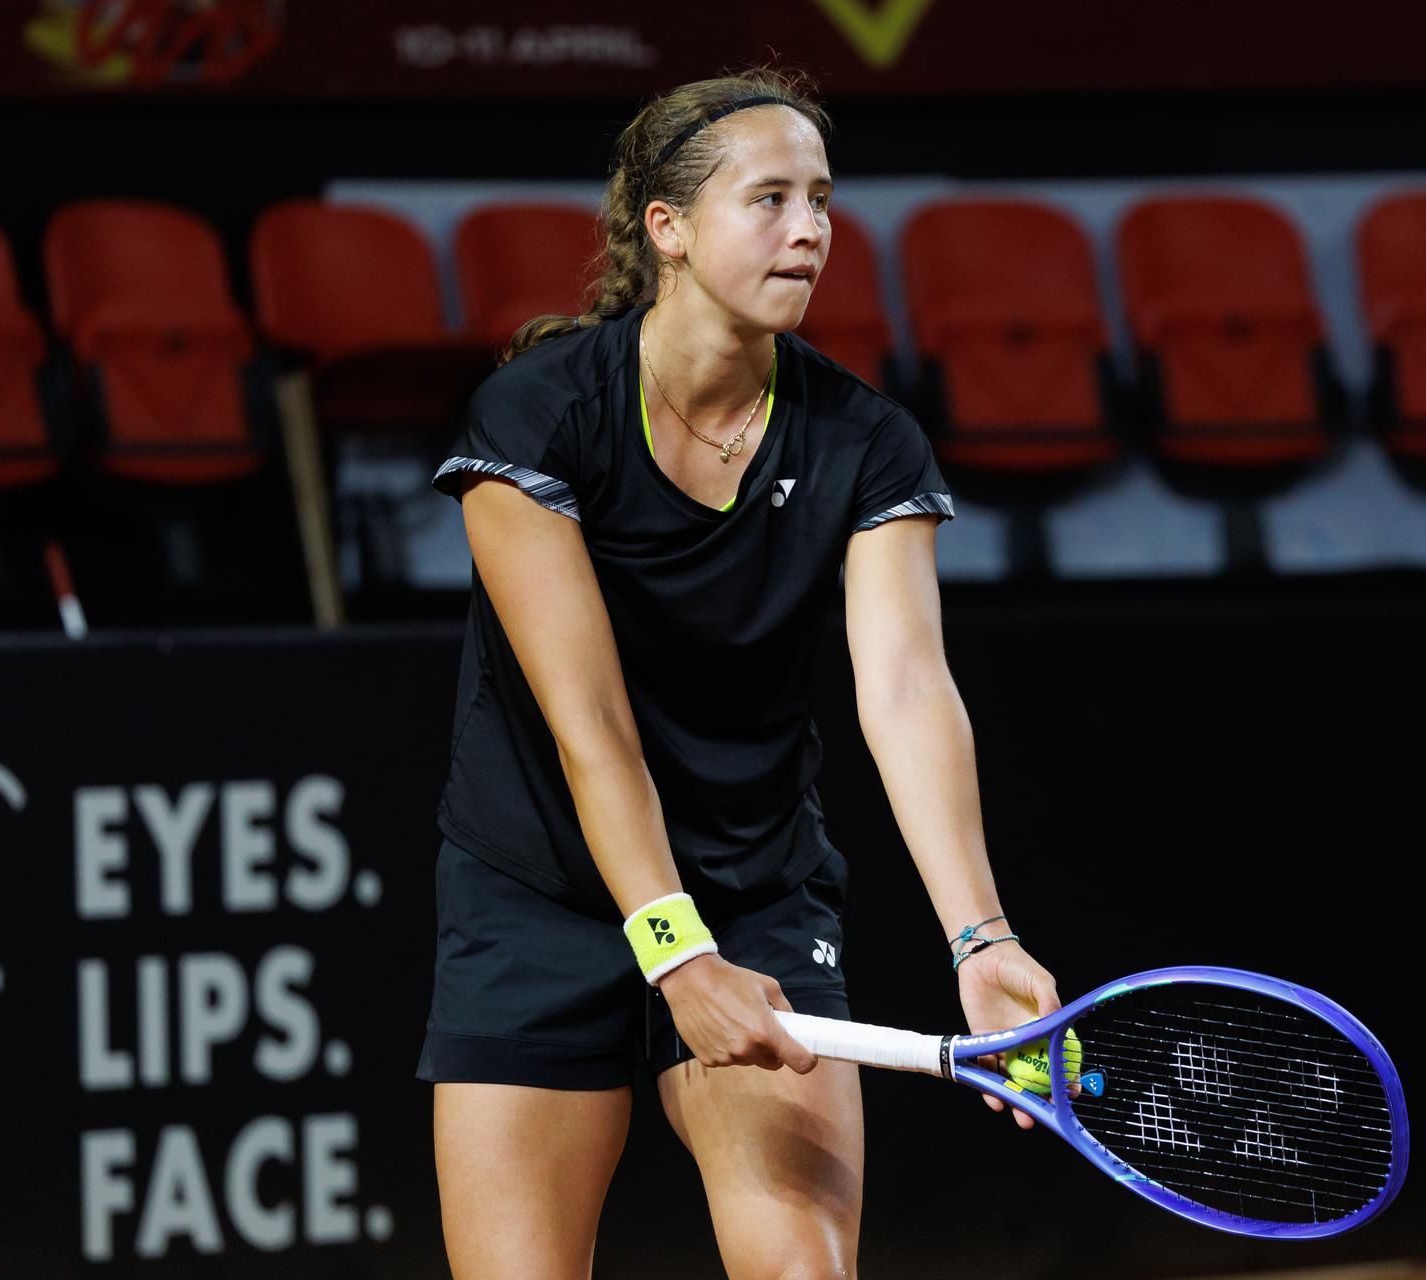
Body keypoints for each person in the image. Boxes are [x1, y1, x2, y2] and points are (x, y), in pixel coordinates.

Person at [414, 68, 1062, 1279]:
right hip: (538, 893)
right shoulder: (537, 419)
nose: (810, 228)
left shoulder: (866, 441)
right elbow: (590, 719)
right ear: (667, 227)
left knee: (802, 1270)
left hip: (757, 886)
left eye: (822, 198)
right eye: (769, 198)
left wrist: (982, 935)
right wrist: (669, 945)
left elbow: (907, 688)